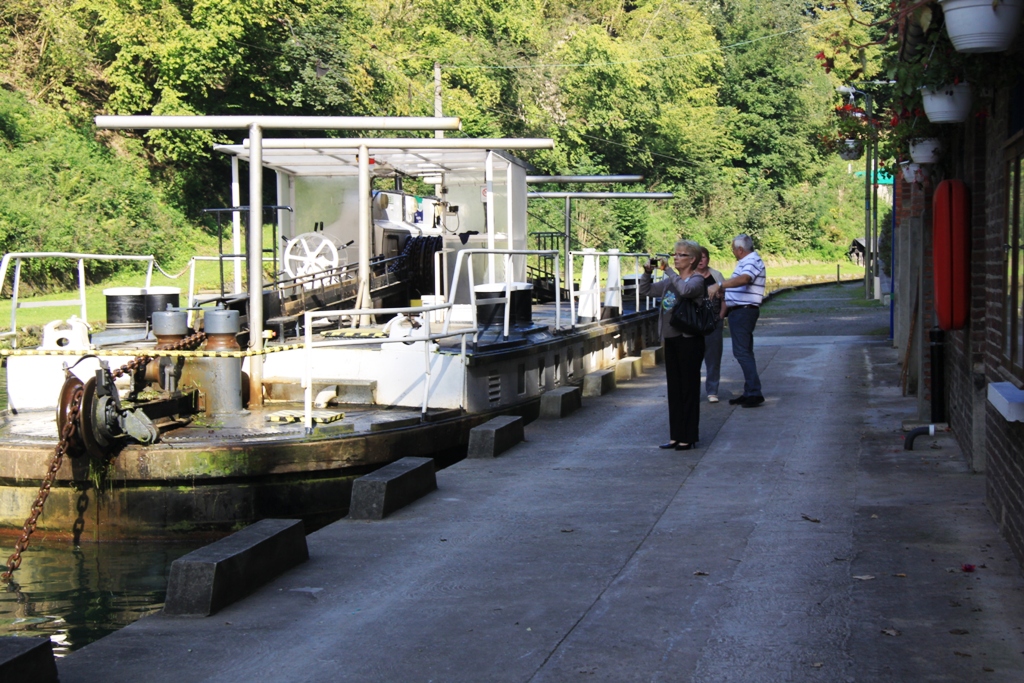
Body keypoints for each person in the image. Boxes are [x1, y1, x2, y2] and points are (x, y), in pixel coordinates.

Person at [639, 240, 706, 450]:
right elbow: (646, 290)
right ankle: (675, 435)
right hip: (671, 339)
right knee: (674, 389)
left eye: (681, 255)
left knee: (689, 389)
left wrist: (668, 270)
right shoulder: (670, 282)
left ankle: (689, 436)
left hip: (689, 340)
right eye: (675, 254)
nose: (676, 258)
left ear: (692, 260)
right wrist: (647, 273)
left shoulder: (697, 280)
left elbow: (685, 291)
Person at [709, 234, 766, 408]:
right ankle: (750, 391)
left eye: (733, 249)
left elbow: (745, 279)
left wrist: (720, 285)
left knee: (742, 352)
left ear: (740, 249)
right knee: (745, 352)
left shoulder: (751, 261)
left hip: (743, 312)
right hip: (740, 311)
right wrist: (726, 292)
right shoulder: (747, 261)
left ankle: (754, 392)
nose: (733, 252)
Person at [696, 247, 727, 403]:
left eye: (704, 257)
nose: (701, 260)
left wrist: (721, 316)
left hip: (713, 323)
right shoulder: (689, 276)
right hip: (694, 325)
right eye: (698, 257)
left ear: (708, 259)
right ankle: (692, 391)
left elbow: (725, 297)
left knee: (713, 358)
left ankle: (712, 391)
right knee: (693, 359)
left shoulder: (717, 275)